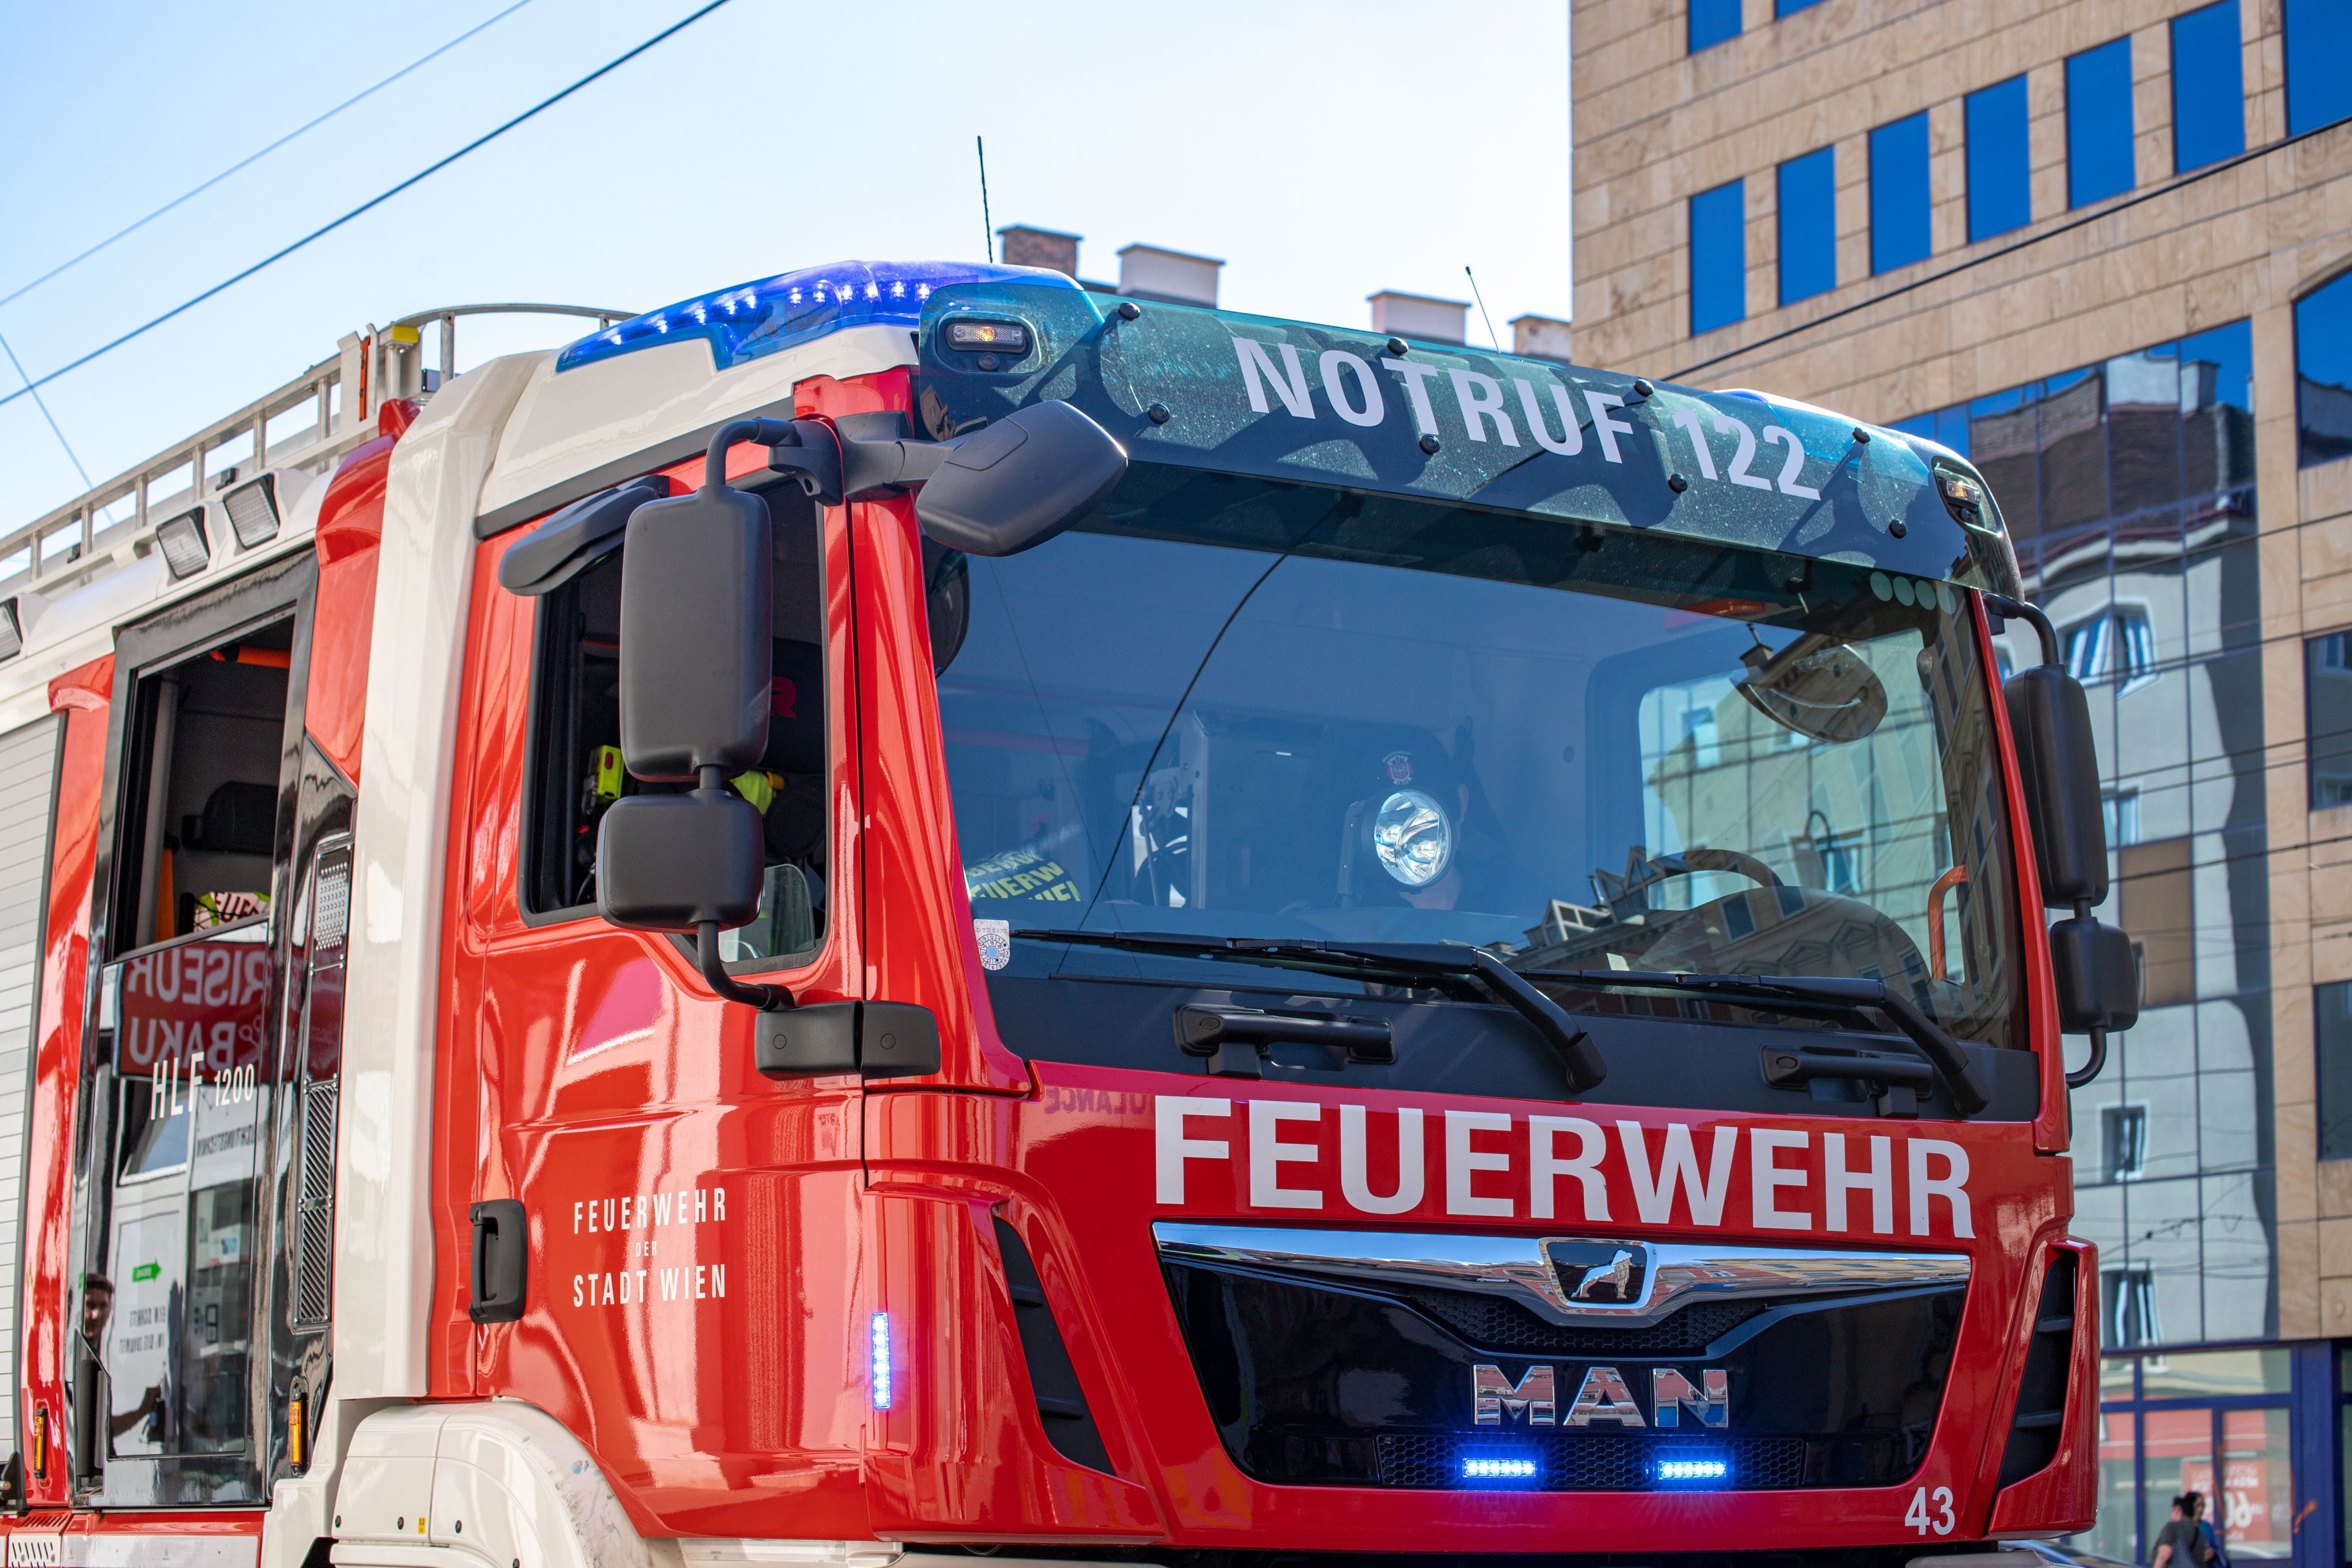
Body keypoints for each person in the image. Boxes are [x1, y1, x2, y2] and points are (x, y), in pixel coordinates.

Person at [77, 1275, 162, 1443]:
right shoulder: (73, 1359)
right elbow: (102, 1430)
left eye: (103, 1306)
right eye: (90, 1305)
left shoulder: (107, 1358)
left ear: (110, 1310)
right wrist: (142, 1411)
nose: (96, 1315)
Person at [2152, 1493, 2214, 1568]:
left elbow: (2164, 1555)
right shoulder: (2198, 1532)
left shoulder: (2172, 1527)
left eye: (2203, 1506)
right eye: (2198, 1506)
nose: (2200, 1510)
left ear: (2178, 1509)